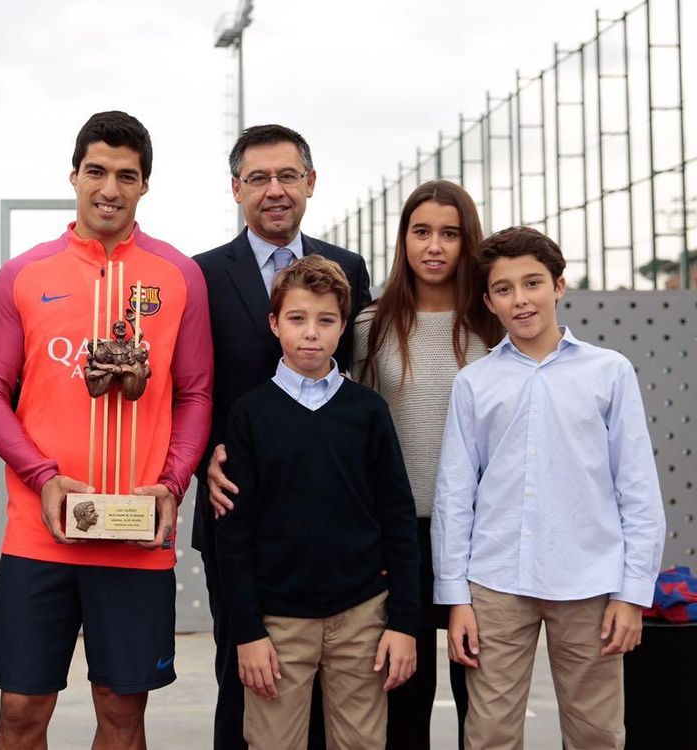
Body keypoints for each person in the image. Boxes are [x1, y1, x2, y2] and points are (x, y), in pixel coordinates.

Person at [0, 111, 213, 750]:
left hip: (136, 534)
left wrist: (172, 484)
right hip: (40, 533)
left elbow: (195, 393)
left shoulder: (179, 275)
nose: (110, 188)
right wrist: (42, 476)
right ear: (73, 176)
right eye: (97, 171)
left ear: (145, 185)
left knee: (121, 712)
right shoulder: (24, 273)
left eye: (126, 176)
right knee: (21, 710)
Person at [433, 226, 667, 749]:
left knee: (596, 733)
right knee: (488, 734)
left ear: (558, 286)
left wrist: (632, 594)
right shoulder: (473, 383)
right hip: (495, 583)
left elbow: (637, 489)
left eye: (532, 283)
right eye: (504, 289)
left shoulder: (610, 372)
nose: (520, 299)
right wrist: (456, 597)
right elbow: (454, 495)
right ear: (488, 301)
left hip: (590, 582)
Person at [193, 123, 372, 749]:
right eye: (259, 178)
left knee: (335, 693)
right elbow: (189, 386)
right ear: (236, 188)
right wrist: (204, 458)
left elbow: (354, 382)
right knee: (244, 674)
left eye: (288, 175)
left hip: (331, 517)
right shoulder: (201, 275)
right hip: (238, 507)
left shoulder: (349, 268)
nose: (275, 190)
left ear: (310, 183)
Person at [217, 254, 420, 749]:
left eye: (326, 320)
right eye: (297, 318)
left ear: (343, 326)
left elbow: (398, 518)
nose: (311, 333)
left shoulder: (368, 411)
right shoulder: (249, 415)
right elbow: (234, 537)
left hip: (362, 617)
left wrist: (403, 623)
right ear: (274, 323)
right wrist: (248, 633)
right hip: (278, 623)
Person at [352, 181, 503, 749]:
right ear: (404, 240)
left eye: (449, 233)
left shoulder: (493, 326)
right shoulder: (369, 326)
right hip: (398, 534)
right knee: (403, 699)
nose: (434, 246)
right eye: (421, 232)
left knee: (481, 701)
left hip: (479, 534)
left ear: (468, 242)